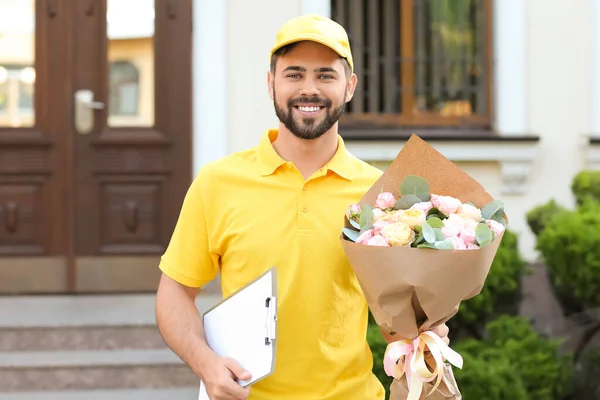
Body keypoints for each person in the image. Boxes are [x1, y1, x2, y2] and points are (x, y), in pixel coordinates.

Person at [155, 14, 450, 400]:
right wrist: (205, 363)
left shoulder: (379, 196)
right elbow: (174, 293)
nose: (309, 89)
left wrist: (424, 333)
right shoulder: (218, 183)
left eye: (325, 75)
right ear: (270, 83)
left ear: (349, 87)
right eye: (294, 74)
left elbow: (392, 325)